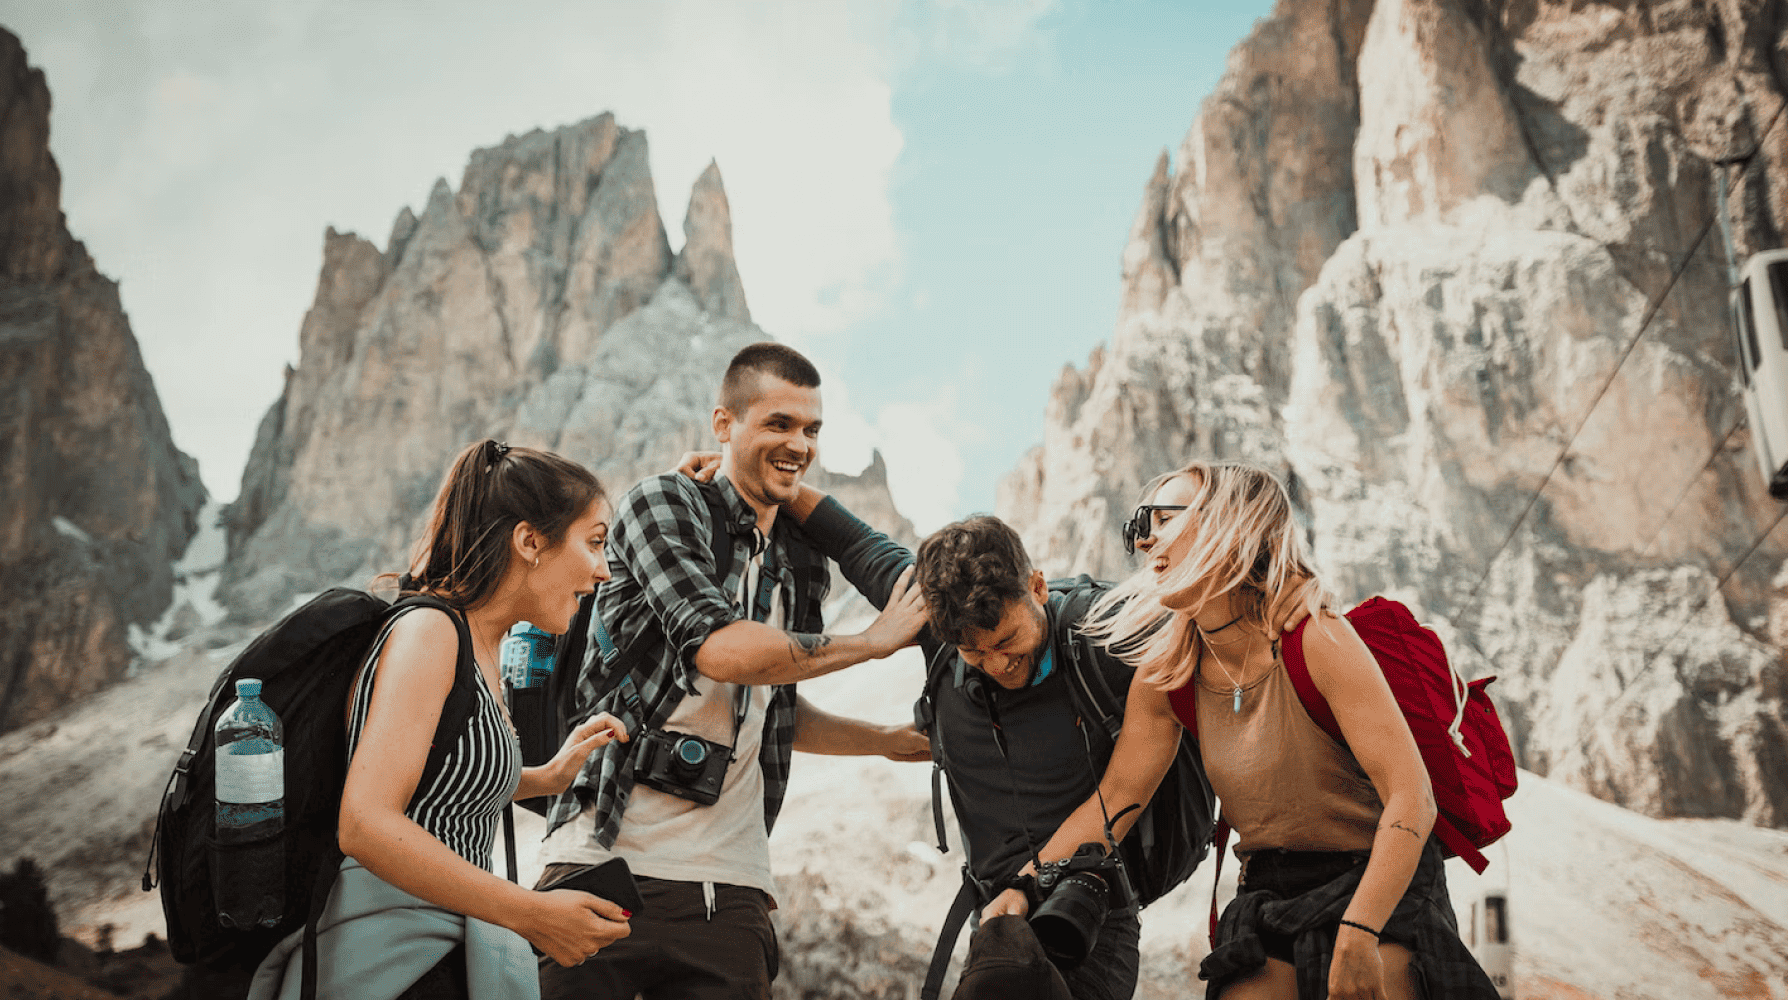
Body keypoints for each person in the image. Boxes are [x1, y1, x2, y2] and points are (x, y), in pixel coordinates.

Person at [537, 342, 931, 1000]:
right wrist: (871, 643)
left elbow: (771, 706)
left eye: (811, 430)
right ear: (723, 424)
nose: (799, 444)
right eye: (778, 423)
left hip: (731, 893)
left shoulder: (798, 559)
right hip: (602, 865)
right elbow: (719, 649)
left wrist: (884, 741)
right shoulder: (662, 504)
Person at [1038, 459, 1500, 1000]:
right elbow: (1115, 799)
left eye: (1164, 519)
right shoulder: (1168, 675)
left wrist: (1360, 931)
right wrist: (1021, 885)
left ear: (1229, 524)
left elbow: (1412, 797)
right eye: (1141, 525)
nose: (1144, 541)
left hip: (1378, 881)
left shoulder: (1317, 638)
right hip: (1267, 890)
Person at [250, 439, 636, 1000]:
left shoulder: (479, 646)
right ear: (530, 541)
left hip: (435, 951)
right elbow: (365, 823)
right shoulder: (431, 632)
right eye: (595, 543)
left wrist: (545, 776)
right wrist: (533, 913)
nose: (603, 570)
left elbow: (435, 781)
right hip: (387, 962)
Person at [764, 490, 1158, 1000]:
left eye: (1007, 640)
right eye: (973, 651)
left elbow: (1126, 786)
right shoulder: (938, 622)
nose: (997, 665)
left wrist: (1027, 884)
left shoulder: (1103, 637)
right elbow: (854, 543)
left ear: (1038, 587)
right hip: (995, 917)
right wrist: (757, 477)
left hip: (1087, 917)